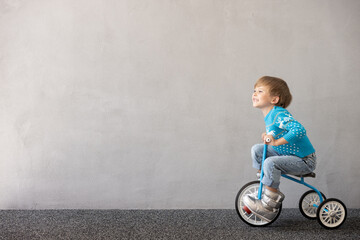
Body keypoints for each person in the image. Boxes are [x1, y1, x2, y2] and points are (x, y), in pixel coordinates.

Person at [243, 76, 316, 222]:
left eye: (260, 91)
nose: (254, 94)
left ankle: (268, 207)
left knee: (270, 163)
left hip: (303, 160)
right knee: (257, 149)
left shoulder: (279, 114)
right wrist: (269, 135)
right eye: (254, 91)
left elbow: (299, 130)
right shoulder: (271, 115)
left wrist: (276, 143)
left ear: (274, 100)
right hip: (289, 154)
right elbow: (278, 131)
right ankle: (265, 183)